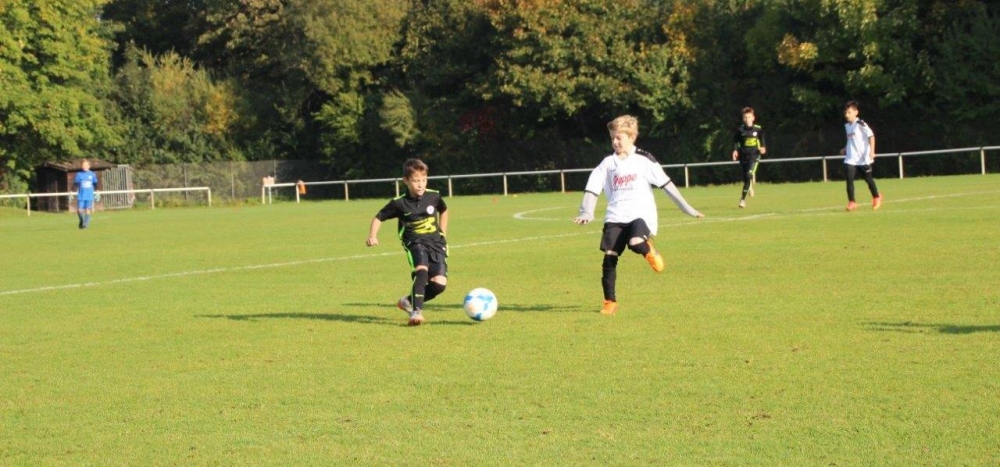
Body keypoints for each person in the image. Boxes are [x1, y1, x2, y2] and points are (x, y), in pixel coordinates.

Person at [573, 115, 704, 315]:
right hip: (615, 216)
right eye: (612, 138)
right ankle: (610, 302)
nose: (615, 142)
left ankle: (649, 249)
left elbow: (666, 184)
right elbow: (593, 187)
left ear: (632, 137)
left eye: (619, 138)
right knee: (609, 258)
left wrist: (687, 208)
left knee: (635, 243)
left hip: (640, 215)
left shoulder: (644, 159)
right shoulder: (608, 163)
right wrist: (587, 211)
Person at [366, 159, 449, 326]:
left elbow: (444, 210)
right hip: (415, 242)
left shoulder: (434, 196)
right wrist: (373, 235)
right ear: (406, 181)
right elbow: (379, 217)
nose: (420, 184)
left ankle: (407, 301)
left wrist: (442, 231)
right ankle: (416, 312)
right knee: (421, 272)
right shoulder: (399, 203)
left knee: (439, 285)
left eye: (424, 180)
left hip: (436, 243)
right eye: (416, 180)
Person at [839, 100, 882, 211]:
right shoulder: (847, 126)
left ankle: (876, 197)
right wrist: (845, 148)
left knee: (868, 180)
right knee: (849, 180)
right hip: (851, 158)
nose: (847, 115)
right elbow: (851, 140)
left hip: (863, 159)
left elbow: (871, 136)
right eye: (845, 113)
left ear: (856, 112)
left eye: (849, 112)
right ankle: (852, 202)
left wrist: (872, 151)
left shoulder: (860, 124)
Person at [731, 107, 767, 208]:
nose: (747, 119)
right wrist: (735, 150)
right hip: (743, 156)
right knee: (746, 178)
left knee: (748, 174)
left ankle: (742, 200)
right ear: (743, 118)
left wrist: (763, 148)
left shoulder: (758, 129)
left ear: (753, 118)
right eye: (745, 117)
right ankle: (749, 185)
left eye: (749, 117)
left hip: (754, 156)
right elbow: (735, 141)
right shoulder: (740, 130)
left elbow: (762, 139)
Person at [72, 159, 99, 229]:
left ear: (89, 166)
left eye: (86, 165)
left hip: (89, 195)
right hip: (81, 195)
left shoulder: (92, 174)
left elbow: (95, 183)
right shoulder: (79, 174)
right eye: (83, 165)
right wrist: (72, 191)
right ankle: (82, 220)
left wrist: (97, 190)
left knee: (87, 209)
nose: (84, 166)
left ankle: (85, 224)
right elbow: (76, 183)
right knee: (79, 210)